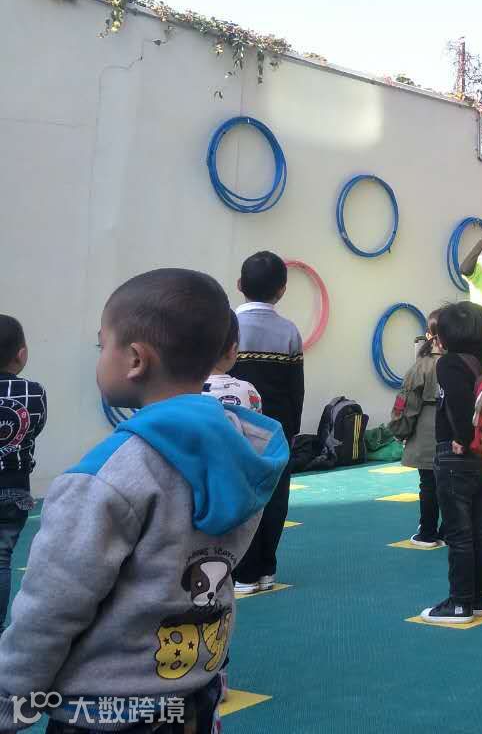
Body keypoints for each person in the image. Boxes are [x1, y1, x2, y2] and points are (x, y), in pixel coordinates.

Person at [0, 269, 286, 732]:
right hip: (196, 691)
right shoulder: (240, 454)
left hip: (102, 709)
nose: (100, 357)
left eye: (102, 346)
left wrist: (12, 698)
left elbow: (52, 606)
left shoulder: (106, 476)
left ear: (135, 359)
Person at [422, 301, 482, 623]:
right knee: (480, 530)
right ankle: (479, 598)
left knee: (459, 533)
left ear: (443, 338)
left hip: (456, 455)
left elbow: (458, 402)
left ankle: (459, 603)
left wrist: (462, 437)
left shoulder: (450, 364)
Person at [231, 251, 304, 595]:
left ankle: (243, 572)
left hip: (235, 429)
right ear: (282, 290)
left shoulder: (228, 327)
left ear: (239, 285)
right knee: (275, 497)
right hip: (277, 429)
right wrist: (291, 430)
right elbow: (295, 388)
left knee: (241, 495)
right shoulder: (289, 331)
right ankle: (266, 569)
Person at [0, 315, 45, 638]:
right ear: (21, 354)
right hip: (15, 485)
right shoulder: (33, 392)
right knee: (2, 557)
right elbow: (35, 428)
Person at [389, 308, 446, 548]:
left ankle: (428, 533)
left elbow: (407, 405)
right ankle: (450, 530)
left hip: (427, 435)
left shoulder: (422, 366)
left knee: (429, 485)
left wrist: (400, 430)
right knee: (451, 485)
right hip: (455, 434)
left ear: (429, 335)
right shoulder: (464, 363)